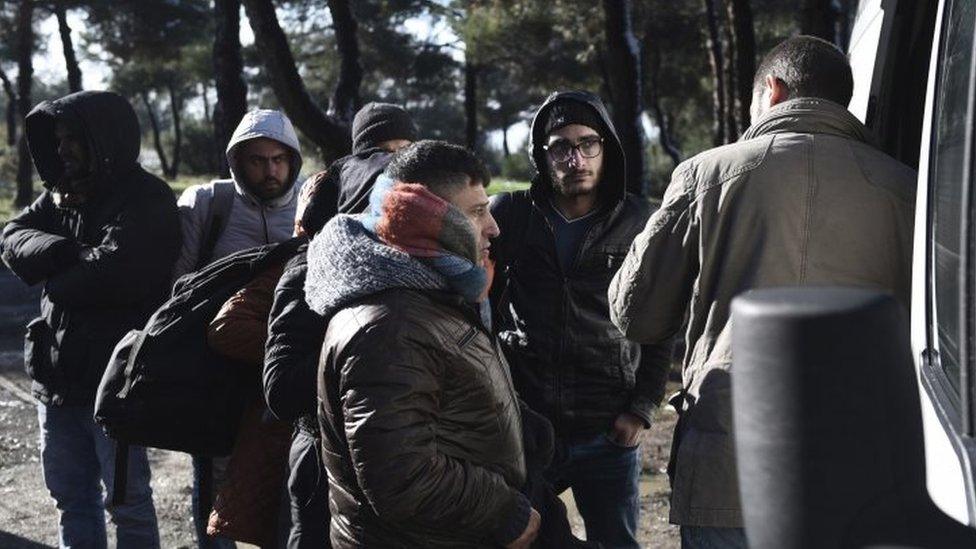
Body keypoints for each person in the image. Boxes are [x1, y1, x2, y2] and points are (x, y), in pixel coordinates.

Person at [608, 36, 916, 548]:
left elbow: (635, 315)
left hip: (734, 468)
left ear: (771, 91)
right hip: (867, 470)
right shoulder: (908, 189)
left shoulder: (706, 174)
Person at [305, 140, 539, 548]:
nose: (494, 228)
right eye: (477, 212)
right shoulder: (388, 326)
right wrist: (507, 512)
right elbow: (402, 477)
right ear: (428, 220)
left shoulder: (436, 292)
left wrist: (528, 435)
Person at [489, 90, 672, 548]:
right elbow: (479, 310)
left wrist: (641, 409)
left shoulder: (641, 221)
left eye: (588, 143)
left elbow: (662, 321)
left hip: (606, 424)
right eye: (561, 147)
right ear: (542, 156)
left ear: (606, 147)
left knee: (616, 543)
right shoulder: (510, 215)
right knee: (519, 539)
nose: (576, 158)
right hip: (527, 425)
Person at [0, 90, 181, 548]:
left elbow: (114, 272)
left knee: (129, 504)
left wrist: (53, 280)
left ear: (102, 138)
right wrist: (65, 251)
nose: (61, 150)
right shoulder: (61, 194)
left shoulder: (146, 197)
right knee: (70, 498)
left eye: (72, 139)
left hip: (116, 383)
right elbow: (13, 235)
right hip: (55, 377)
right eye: (57, 140)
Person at [263, 102, 417, 548]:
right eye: (378, 154)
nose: (391, 169)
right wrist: (366, 355)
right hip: (322, 466)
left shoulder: (432, 266)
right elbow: (281, 386)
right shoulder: (311, 261)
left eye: (404, 153)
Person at [172, 108, 305, 549]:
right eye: (257, 160)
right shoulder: (209, 203)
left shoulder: (312, 202)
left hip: (283, 376)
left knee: (286, 489)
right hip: (218, 376)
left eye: (279, 160)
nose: (270, 171)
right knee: (215, 491)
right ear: (237, 161)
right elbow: (176, 291)